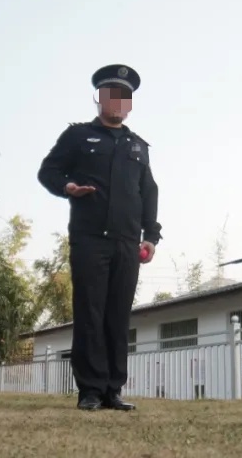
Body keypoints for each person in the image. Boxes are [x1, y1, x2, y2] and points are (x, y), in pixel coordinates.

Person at [37, 64, 162, 411]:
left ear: (130, 104)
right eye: (111, 95)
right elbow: (47, 171)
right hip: (90, 239)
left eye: (125, 97)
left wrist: (150, 236)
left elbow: (148, 191)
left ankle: (113, 390)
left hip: (127, 242)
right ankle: (90, 391)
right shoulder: (78, 136)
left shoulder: (139, 146)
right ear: (99, 98)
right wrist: (68, 187)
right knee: (90, 312)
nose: (118, 102)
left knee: (118, 315)